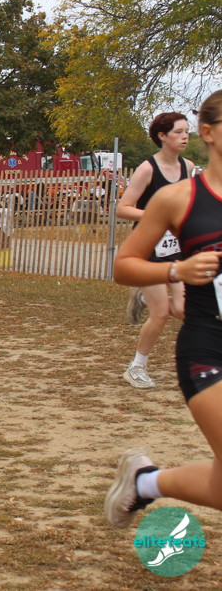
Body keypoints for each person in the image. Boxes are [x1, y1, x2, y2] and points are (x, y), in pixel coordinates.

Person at [106, 91, 222, 528]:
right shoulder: (178, 198)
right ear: (209, 133)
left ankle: (145, 482)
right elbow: (123, 266)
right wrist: (178, 270)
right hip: (209, 349)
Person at [115, 112, 196, 389]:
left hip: (175, 249)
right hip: (147, 249)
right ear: (162, 136)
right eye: (178, 132)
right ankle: (136, 367)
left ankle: (144, 296)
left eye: (187, 131)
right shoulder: (147, 169)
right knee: (161, 314)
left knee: (183, 309)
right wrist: (157, 217)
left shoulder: (188, 167)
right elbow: (123, 208)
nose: (185, 137)